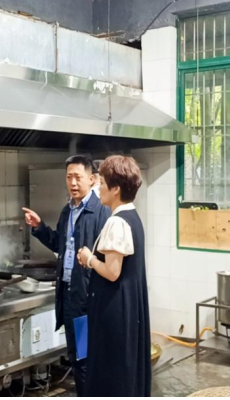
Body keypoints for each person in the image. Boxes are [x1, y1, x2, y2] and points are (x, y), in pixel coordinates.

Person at [22, 155, 110, 396]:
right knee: (77, 357)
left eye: (78, 177)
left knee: (87, 360)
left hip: (88, 299)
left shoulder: (100, 211)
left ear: (92, 179)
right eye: (69, 177)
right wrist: (39, 227)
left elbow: (106, 257)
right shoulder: (67, 211)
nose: (73, 183)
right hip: (68, 295)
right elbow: (60, 244)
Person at [77, 155, 151, 397]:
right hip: (128, 306)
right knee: (125, 367)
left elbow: (112, 272)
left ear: (116, 189)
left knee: (110, 370)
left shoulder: (116, 222)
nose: (98, 187)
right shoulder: (133, 216)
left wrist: (89, 258)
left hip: (114, 309)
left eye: (102, 183)